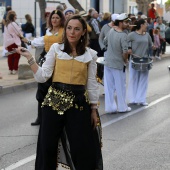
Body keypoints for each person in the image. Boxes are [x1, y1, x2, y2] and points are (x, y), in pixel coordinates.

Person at [16, 14, 103, 170]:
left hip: (78, 104)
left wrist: (94, 109)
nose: (72, 32)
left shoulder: (90, 55)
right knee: (47, 146)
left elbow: (91, 84)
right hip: (53, 102)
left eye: (77, 29)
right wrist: (30, 58)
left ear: (83, 32)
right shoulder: (56, 49)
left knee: (81, 148)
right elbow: (43, 77)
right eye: (69, 28)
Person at [24, 10, 65, 126]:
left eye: (57, 18)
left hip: (59, 62)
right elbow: (40, 41)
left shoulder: (64, 32)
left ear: (61, 19)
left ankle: (55, 118)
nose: (54, 20)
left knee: (56, 90)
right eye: (53, 18)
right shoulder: (48, 31)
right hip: (46, 60)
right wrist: (28, 41)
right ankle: (40, 117)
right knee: (41, 89)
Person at [104, 13, 131, 113]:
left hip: (108, 62)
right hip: (118, 64)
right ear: (120, 23)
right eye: (126, 22)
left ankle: (110, 108)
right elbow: (125, 52)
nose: (128, 24)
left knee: (109, 87)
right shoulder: (123, 35)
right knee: (120, 87)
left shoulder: (111, 30)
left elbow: (105, 41)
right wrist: (126, 60)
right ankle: (122, 107)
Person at [127, 19, 153, 106]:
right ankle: (133, 99)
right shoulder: (131, 35)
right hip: (134, 59)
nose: (147, 25)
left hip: (145, 60)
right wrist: (129, 49)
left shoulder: (147, 35)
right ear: (141, 25)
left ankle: (141, 99)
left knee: (143, 80)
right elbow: (126, 44)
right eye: (146, 24)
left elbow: (150, 45)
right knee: (133, 79)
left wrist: (153, 47)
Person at [4, 10, 23, 75]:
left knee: (10, 56)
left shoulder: (6, 25)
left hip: (8, 42)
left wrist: (5, 45)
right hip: (14, 42)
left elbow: (5, 35)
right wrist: (20, 30)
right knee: (16, 56)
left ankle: (10, 69)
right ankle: (15, 69)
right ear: (13, 16)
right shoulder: (13, 24)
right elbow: (18, 32)